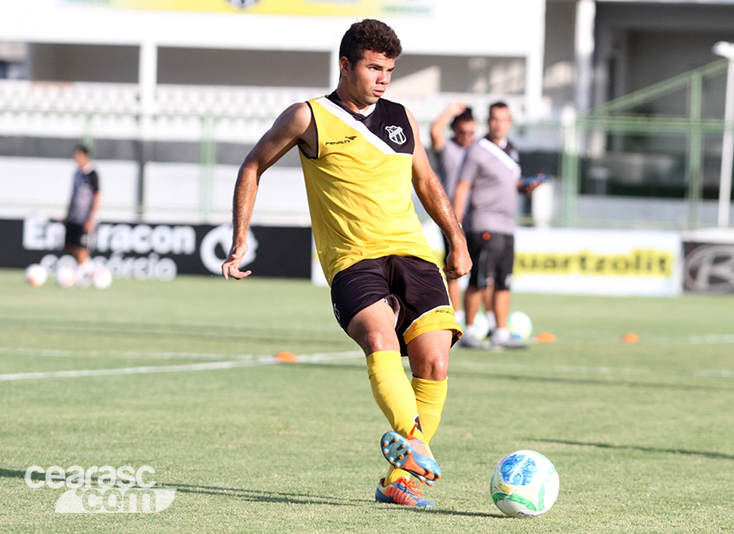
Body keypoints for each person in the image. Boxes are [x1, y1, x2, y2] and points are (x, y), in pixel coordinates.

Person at [221, 19, 471, 507]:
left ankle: (401, 478)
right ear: (345, 65)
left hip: (413, 254)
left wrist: (455, 238)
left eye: (390, 69)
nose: (383, 78)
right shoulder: (307, 117)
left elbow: (427, 181)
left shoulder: (402, 116)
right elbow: (252, 165)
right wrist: (239, 240)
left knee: (435, 363)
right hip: (353, 260)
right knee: (378, 338)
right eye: (374, 67)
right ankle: (415, 447)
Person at [452, 101, 539, 349]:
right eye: (493, 119)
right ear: (488, 121)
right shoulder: (478, 149)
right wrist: (456, 226)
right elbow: (463, 186)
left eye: (502, 119)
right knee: (479, 279)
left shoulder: (511, 150)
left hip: (507, 225)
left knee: (503, 281)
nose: (498, 123)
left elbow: (512, 184)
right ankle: (468, 331)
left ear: (509, 122)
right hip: (483, 223)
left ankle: (500, 331)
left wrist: (525, 187)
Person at [430, 102, 476, 324]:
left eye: (471, 133)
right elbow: (435, 131)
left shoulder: (477, 151)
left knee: (479, 272)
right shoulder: (447, 149)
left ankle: (475, 319)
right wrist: (451, 110)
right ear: (454, 130)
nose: (467, 137)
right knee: (455, 268)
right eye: (462, 132)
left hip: (476, 217)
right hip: (451, 218)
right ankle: (455, 316)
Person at [63, 144, 101, 281]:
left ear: (86, 156)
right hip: (74, 216)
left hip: (85, 217)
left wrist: (91, 218)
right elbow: (73, 195)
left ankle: (80, 276)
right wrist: (67, 215)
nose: (75, 158)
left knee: (81, 247)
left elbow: (97, 196)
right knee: (70, 246)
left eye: (77, 155)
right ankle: (90, 271)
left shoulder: (92, 174)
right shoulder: (76, 174)